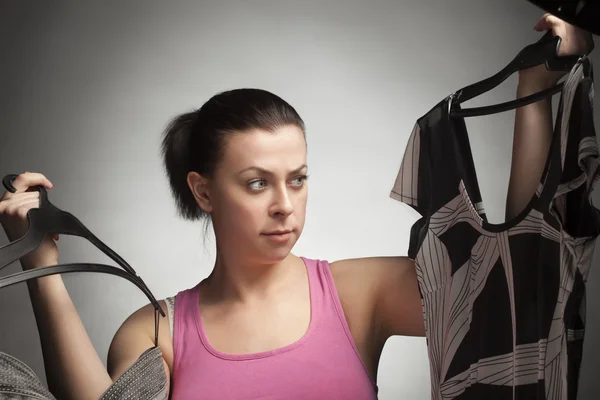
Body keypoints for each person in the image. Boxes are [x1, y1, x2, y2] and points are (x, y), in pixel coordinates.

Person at [0, 14, 594, 400]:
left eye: (299, 179)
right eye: (258, 183)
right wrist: (40, 260)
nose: (286, 206)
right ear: (204, 191)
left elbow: (516, 285)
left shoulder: (359, 295)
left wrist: (535, 91)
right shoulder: (157, 334)